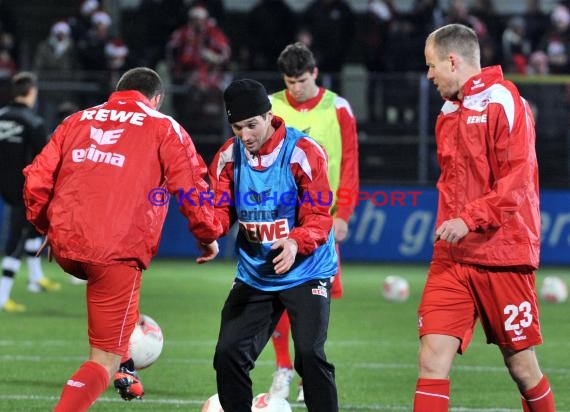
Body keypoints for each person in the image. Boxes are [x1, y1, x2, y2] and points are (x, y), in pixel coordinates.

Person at [23, 67, 222, 411]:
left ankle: (125, 369)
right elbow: (191, 189)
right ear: (156, 99)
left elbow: (36, 181)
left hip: (68, 245)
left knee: (118, 310)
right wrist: (207, 235)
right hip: (114, 251)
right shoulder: (164, 127)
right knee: (102, 359)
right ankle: (117, 366)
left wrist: (46, 225)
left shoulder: (77, 120)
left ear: (118, 91)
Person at [415, 23, 555, 411]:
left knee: (522, 367)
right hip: (453, 256)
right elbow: (452, 181)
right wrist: (448, 225)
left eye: (431, 65)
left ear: (453, 61)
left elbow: (517, 181)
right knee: (431, 358)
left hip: (502, 253)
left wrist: (469, 219)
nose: (429, 75)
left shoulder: (505, 101)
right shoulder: (447, 111)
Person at [209, 79, 339, 412]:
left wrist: (296, 242)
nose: (245, 134)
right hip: (256, 274)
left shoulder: (304, 152)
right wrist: (209, 231)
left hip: (306, 270)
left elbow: (321, 217)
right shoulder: (228, 156)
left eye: (251, 125)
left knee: (309, 355)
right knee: (228, 354)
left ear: (269, 116)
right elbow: (221, 211)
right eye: (237, 127)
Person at [267, 41, 359, 402]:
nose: (296, 88)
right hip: (278, 218)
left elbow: (349, 163)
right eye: (290, 81)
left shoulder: (338, 107)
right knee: (275, 295)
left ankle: (309, 371)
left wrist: (344, 214)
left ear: (315, 73)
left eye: (302, 80)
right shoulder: (270, 107)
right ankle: (282, 369)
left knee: (318, 296)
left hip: (321, 219)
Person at [0, 71, 61, 313]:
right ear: (32, 92)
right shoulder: (32, 122)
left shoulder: (1, 116)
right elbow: (47, 158)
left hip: (5, 187)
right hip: (24, 191)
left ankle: (35, 279)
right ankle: (3, 296)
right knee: (16, 241)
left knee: (29, 233)